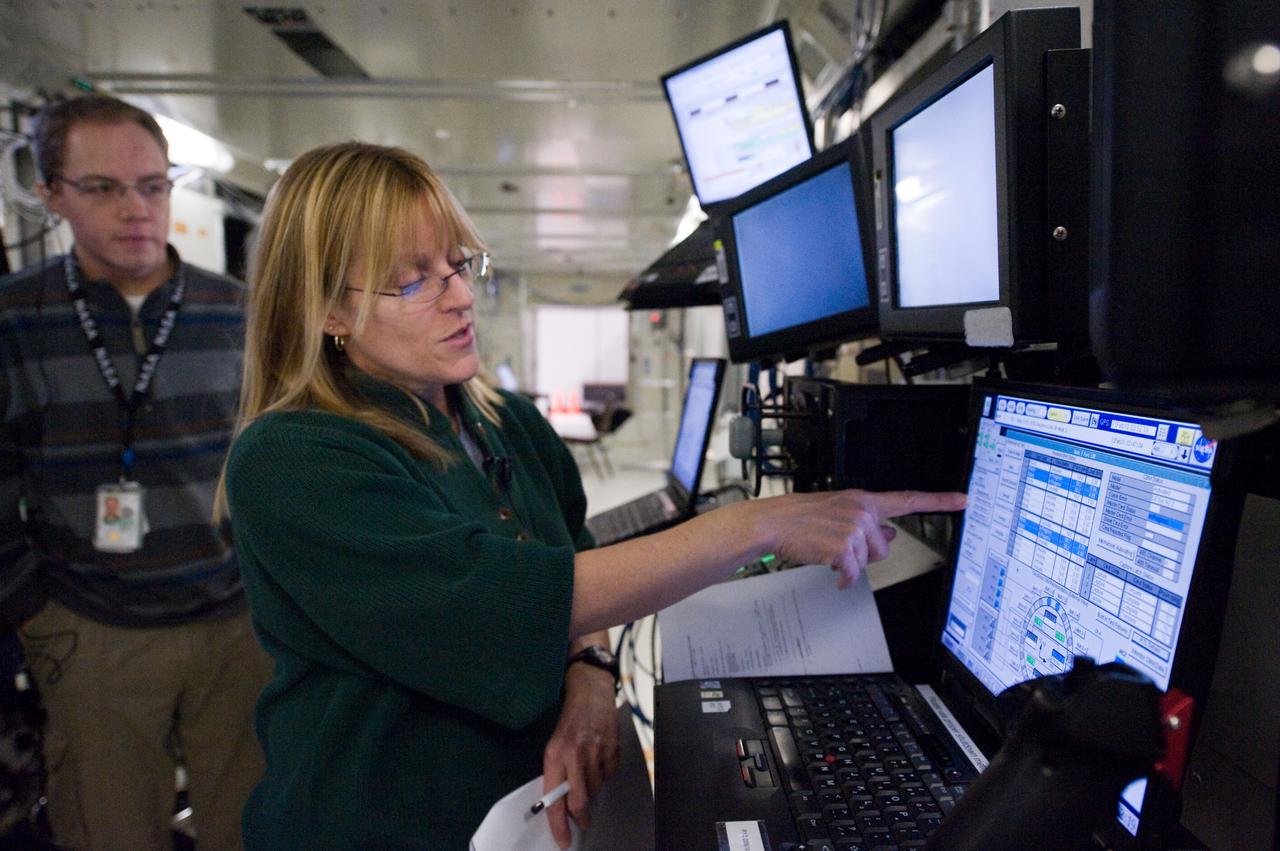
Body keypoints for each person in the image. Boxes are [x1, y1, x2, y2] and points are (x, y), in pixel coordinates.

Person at [215, 141, 967, 850]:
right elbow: (506, 601)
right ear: (328, 312)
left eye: (459, 262)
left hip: (542, 817)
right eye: (414, 279)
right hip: (390, 826)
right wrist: (759, 524)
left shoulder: (498, 417)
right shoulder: (292, 458)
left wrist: (591, 678)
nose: (459, 297)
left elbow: (575, 551)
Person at [0, 95, 271, 851]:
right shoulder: (15, 318)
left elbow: (276, 463)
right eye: (103, 188)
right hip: (93, 630)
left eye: (153, 185)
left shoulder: (235, 313)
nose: (136, 208)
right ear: (50, 194)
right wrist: (36, 612)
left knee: (251, 827)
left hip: (233, 626)